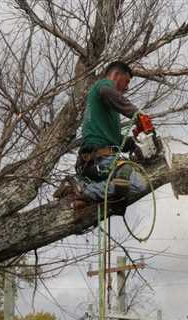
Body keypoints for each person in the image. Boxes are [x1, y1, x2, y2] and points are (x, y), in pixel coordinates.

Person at [73, 61, 148, 215]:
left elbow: (112, 139)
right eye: (126, 81)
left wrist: (132, 144)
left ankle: (87, 195)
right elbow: (107, 91)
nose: (127, 87)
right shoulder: (103, 86)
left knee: (120, 193)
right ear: (116, 75)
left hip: (98, 158)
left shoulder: (107, 108)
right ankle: (84, 190)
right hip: (100, 159)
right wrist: (139, 116)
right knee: (138, 184)